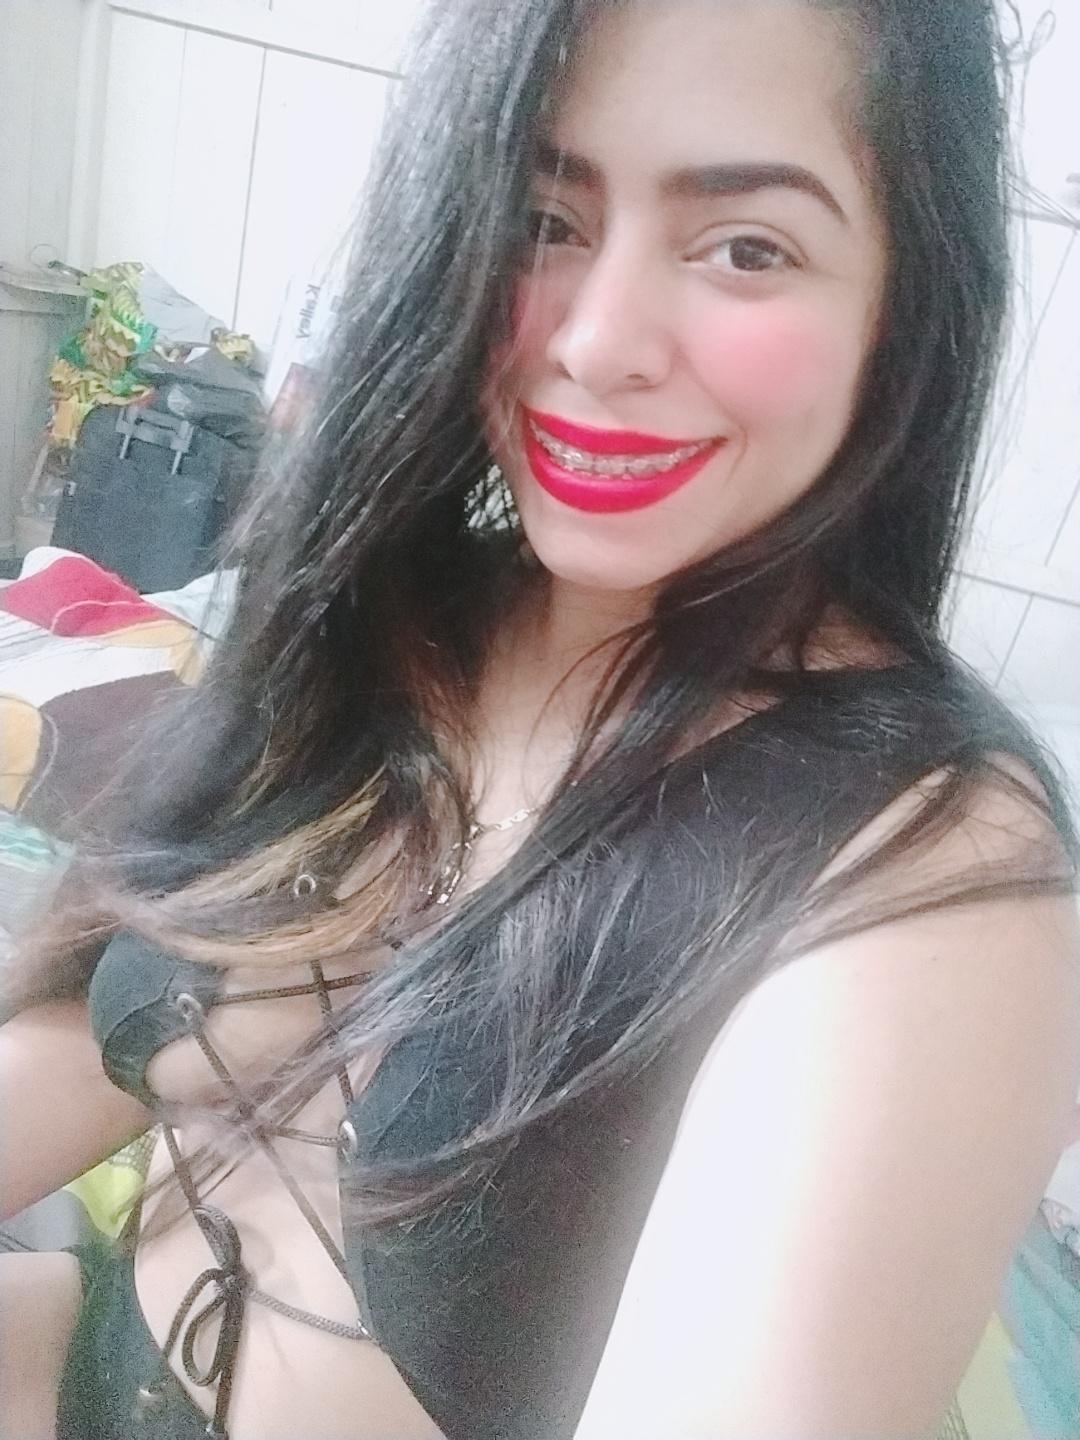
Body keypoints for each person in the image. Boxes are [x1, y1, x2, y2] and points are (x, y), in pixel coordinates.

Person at [2, 1, 1079, 1437]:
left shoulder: (932, 870)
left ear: (904, 303)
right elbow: (98, 1025)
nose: (596, 339)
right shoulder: (384, 611)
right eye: (542, 221)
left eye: (746, 247)